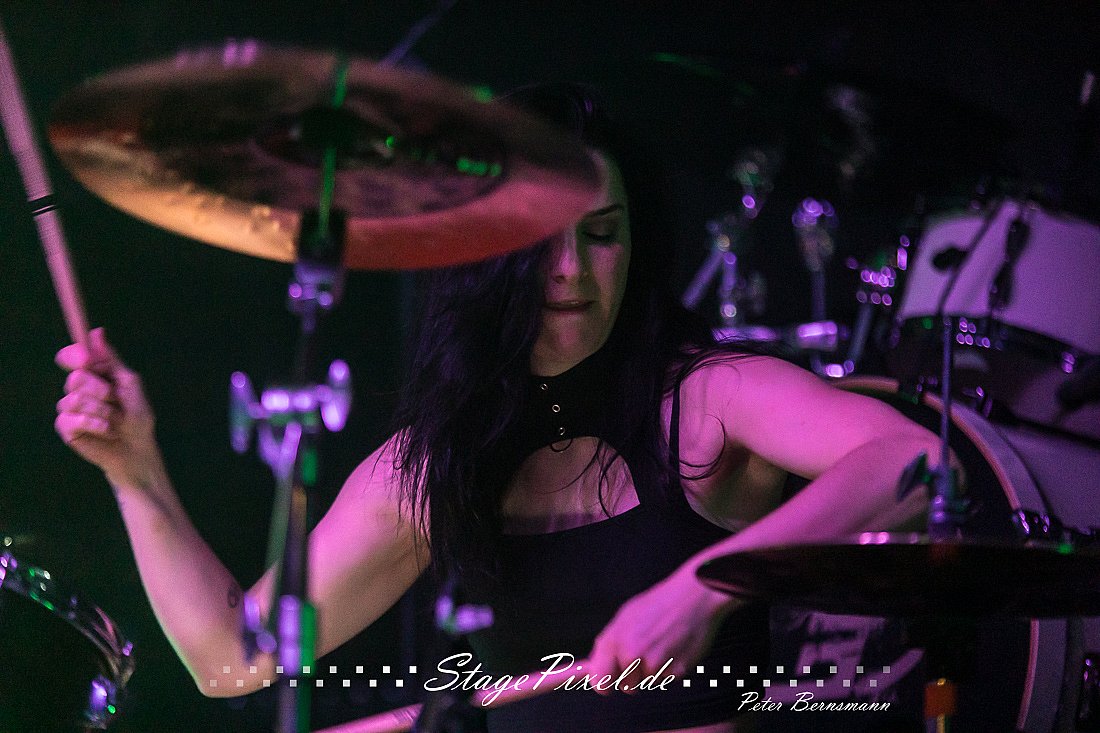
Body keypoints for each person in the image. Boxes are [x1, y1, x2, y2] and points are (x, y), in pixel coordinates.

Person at [54, 84, 939, 732]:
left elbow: (917, 461)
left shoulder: (709, 396)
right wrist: (137, 471)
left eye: (602, 235)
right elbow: (233, 658)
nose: (574, 270)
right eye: (541, 241)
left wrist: (703, 589)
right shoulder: (438, 460)